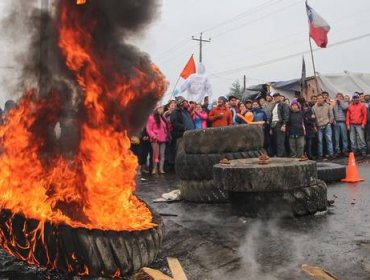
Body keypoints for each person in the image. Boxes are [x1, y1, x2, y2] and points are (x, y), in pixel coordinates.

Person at [146, 105, 170, 174]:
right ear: (156, 109)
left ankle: (161, 169)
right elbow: (149, 129)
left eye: (162, 108)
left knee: (162, 154)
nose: (161, 110)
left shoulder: (162, 118)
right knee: (156, 154)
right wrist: (153, 135)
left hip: (163, 139)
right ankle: (154, 169)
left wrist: (166, 135)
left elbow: (165, 128)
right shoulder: (151, 118)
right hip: (155, 139)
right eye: (160, 108)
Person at [312, 93, 334, 160]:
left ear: (323, 99)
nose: (320, 99)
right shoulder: (313, 108)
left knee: (329, 140)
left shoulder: (327, 106)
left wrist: (330, 122)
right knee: (320, 141)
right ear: (317, 100)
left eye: (321, 98)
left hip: (327, 125)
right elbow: (313, 118)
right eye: (318, 98)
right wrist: (314, 126)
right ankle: (320, 155)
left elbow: (331, 115)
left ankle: (331, 154)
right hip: (319, 126)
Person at [268, 92, 289, 157]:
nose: (275, 98)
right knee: (275, 142)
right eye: (274, 97)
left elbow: (286, 115)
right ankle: (282, 156)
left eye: (277, 97)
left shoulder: (284, 104)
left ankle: (280, 156)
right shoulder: (273, 105)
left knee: (280, 142)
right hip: (273, 125)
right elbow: (272, 117)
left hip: (280, 124)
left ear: (280, 97)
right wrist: (271, 128)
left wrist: (284, 125)